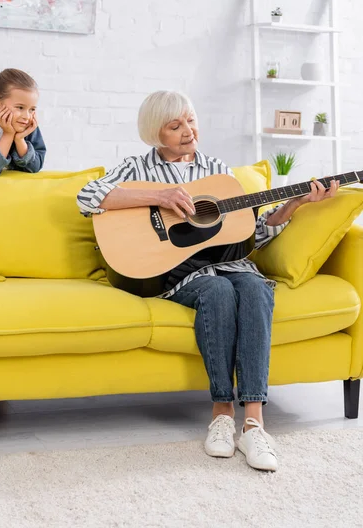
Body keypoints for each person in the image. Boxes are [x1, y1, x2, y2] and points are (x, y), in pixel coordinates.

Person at [77, 90, 339, 472]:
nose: (189, 131)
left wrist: (295, 204)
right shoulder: (137, 166)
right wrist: (161, 196)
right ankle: (220, 413)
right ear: (156, 132)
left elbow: (250, 233)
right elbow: (87, 198)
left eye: (191, 120)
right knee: (216, 291)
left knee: (254, 289)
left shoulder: (216, 170)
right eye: (175, 125)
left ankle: (253, 423)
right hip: (179, 273)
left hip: (232, 266)